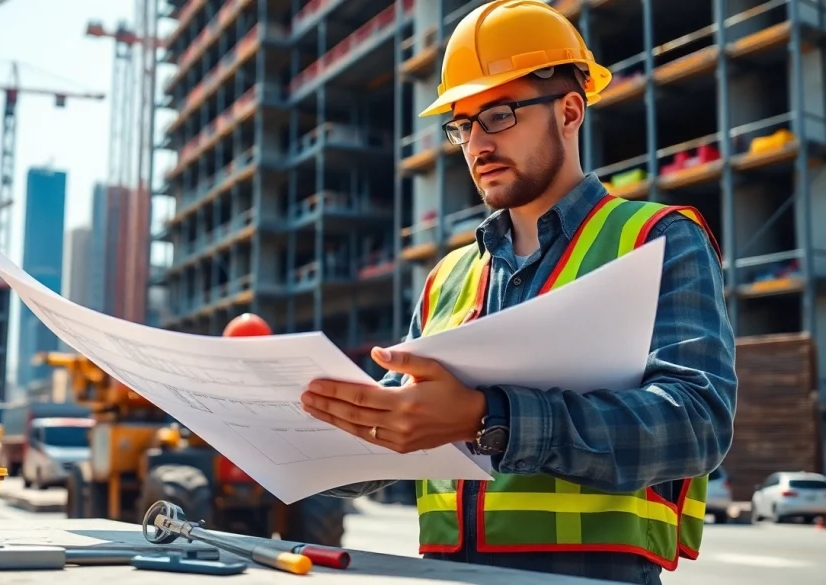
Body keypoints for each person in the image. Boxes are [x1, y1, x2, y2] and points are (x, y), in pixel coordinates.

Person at [298, 2, 737, 584]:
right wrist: (287, 428)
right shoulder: (448, 277)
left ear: (571, 111)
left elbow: (698, 423)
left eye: (499, 115)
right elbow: (390, 431)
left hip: (593, 575)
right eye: (462, 125)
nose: (476, 144)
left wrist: (488, 418)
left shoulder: (657, 241)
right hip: (448, 574)